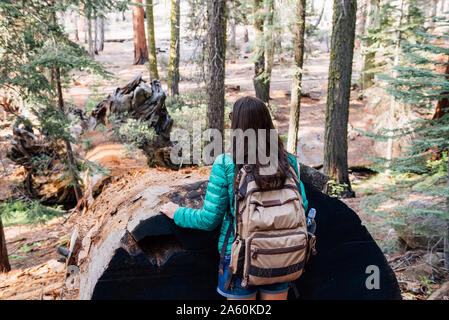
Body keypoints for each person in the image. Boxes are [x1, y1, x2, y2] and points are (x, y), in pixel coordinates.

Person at [160, 96, 308, 300]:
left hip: (240, 257)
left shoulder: (227, 163)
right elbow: (303, 206)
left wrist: (176, 212)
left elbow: (209, 219)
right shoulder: (287, 160)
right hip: (283, 254)